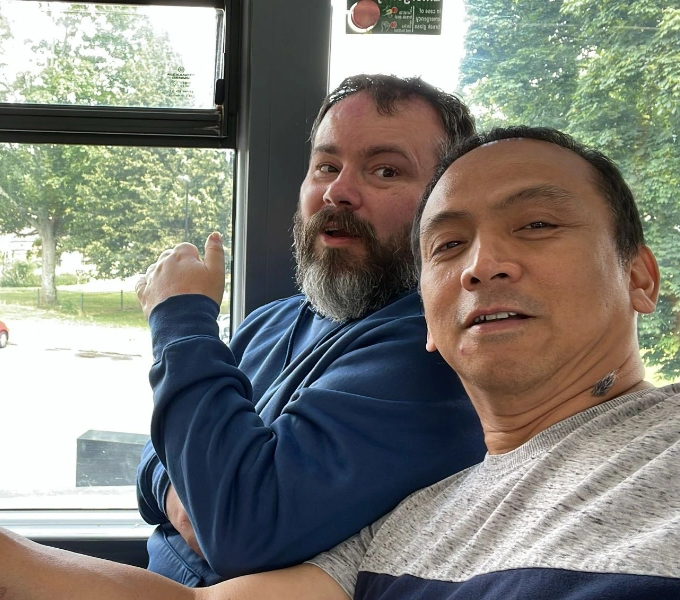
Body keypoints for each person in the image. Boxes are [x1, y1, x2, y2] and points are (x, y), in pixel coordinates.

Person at [0, 127, 679, 599]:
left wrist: (181, 316)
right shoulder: (403, 518)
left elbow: (231, 514)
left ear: (640, 277)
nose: (483, 264)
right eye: (448, 246)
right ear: (428, 313)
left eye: (538, 225)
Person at [130, 74, 483, 584]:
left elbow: (238, 530)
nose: (338, 192)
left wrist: (180, 319)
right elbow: (159, 447)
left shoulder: (432, 353)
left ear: (446, 203)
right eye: (326, 166)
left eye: (385, 170)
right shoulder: (269, 321)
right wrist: (180, 490)